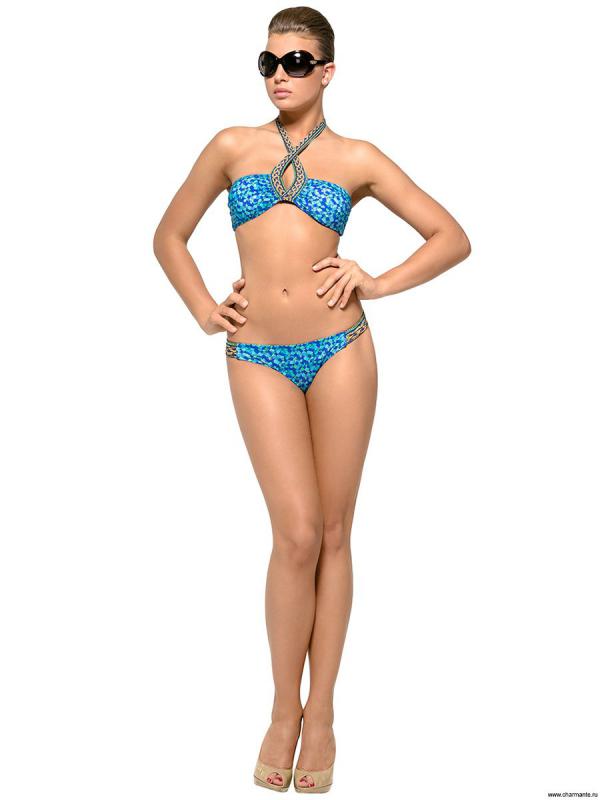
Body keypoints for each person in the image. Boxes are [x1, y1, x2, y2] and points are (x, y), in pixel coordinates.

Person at [152, 6, 471, 793]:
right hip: (256, 353)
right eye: (268, 62)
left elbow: (451, 236)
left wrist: (377, 281)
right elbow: (168, 235)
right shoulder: (231, 147)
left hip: (340, 350)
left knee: (332, 532)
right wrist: (204, 309)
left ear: (328, 71)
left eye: (295, 61)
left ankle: (321, 713)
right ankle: (281, 709)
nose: (279, 75)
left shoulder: (357, 157)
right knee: (293, 534)